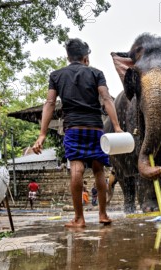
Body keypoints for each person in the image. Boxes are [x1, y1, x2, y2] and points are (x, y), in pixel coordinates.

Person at [32, 38, 123, 228]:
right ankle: (103, 214)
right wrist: (116, 127)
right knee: (99, 170)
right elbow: (106, 98)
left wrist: (42, 134)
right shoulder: (97, 73)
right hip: (96, 128)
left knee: (76, 168)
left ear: (68, 57)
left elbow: (49, 103)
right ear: (85, 58)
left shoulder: (56, 75)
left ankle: (79, 218)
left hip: (73, 129)